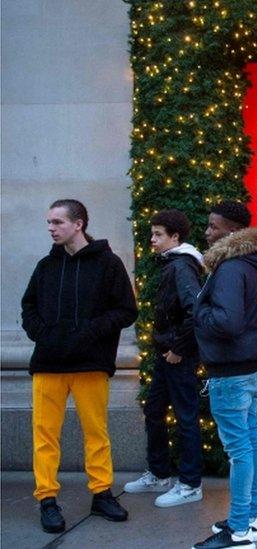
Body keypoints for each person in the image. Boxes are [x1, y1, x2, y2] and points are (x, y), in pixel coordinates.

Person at [22, 199, 137, 533]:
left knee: (96, 433)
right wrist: (42, 334)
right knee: (44, 434)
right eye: (49, 223)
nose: (51, 229)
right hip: (48, 364)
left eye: (57, 222)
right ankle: (47, 498)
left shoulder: (108, 263)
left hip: (90, 363)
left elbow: (126, 310)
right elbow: (28, 306)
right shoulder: (46, 266)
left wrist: (90, 333)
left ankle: (101, 493)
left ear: (79, 224)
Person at [192, 201, 257, 549]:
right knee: (250, 441)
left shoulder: (229, 268)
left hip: (230, 369)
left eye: (213, 227)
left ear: (232, 231)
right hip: (248, 366)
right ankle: (250, 520)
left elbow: (227, 321)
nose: (207, 233)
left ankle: (238, 532)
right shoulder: (252, 264)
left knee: (240, 448)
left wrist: (199, 312)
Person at [124, 209, 205, 507]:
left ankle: (190, 484)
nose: (152, 240)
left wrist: (179, 349)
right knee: (155, 409)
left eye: (158, 235)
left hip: (176, 356)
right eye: (152, 233)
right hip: (166, 353)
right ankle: (159, 473)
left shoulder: (182, 267)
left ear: (176, 236)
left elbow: (193, 312)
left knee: (185, 417)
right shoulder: (173, 264)